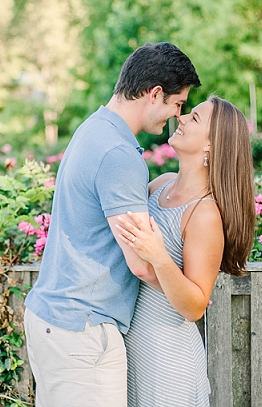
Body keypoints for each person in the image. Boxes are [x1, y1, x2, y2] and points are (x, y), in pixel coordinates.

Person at [23, 42, 201, 407]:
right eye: (177, 104)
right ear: (155, 94)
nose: (176, 116)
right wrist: (185, 291)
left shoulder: (94, 129)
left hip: (58, 320)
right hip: (82, 329)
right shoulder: (119, 154)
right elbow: (140, 262)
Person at [114, 95, 255, 407]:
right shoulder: (159, 185)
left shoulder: (204, 214)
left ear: (211, 145)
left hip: (168, 362)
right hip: (132, 350)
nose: (181, 118)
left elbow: (194, 307)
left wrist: (159, 256)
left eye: (194, 119)